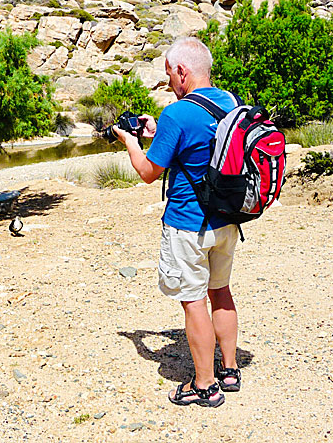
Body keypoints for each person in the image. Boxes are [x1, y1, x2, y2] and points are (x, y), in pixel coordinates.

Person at [112, 36, 241, 408]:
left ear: (182, 71)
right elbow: (199, 144)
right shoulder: (229, 102)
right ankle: (229, 370)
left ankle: (204, 385)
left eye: (169, 73)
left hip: (189, 224)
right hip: (227, 221)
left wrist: (129, 140)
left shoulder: (177, 112)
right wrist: (157, 132)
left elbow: (148, 172)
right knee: (221, 291)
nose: (169, 81)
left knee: (193, 300)